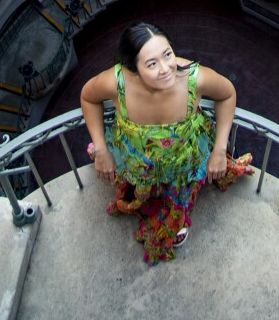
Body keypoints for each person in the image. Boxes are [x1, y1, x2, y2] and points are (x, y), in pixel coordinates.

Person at [80, 21, 253, 264]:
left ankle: (175, 212)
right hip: (138, 160)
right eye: (152, 64)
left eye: (167, 55)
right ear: (133, 69)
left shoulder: (194, 78)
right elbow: (88, 97)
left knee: (178, 189)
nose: (165, 69)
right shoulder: (117, 82)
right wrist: (101, 149)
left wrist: (219, 149)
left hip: (184, 160)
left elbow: (227, 94)